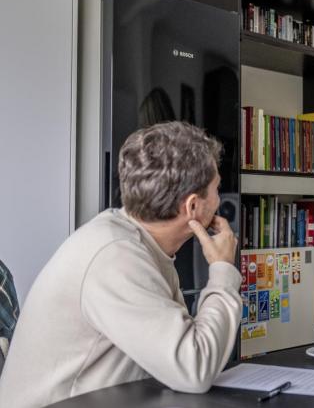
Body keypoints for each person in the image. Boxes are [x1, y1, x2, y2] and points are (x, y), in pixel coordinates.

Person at [0, 122, 241, 408]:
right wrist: (223, 270)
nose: (218, 200)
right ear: (192, 207)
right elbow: (195, 368)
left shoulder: (137, 244)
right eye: (216, 188)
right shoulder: (115, 256)